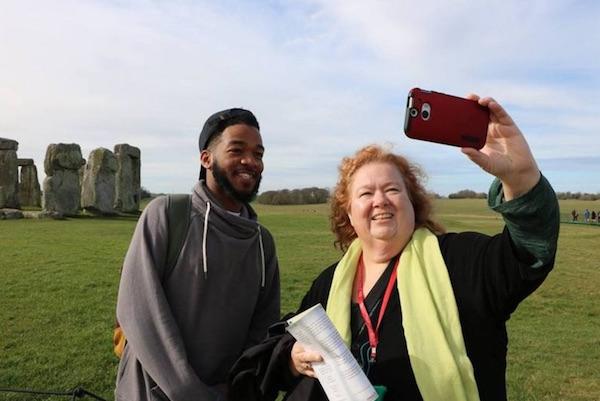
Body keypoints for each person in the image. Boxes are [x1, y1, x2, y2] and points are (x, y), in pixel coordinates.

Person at [252, 95, 559, 401]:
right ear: (348, 213)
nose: (380, 200)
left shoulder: (460, 262)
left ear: (412, 202)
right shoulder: (328, 285)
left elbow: (529, 251)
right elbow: (277, 353)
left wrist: (520, 178)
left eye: (392, 189)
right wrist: (293, 358)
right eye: (366, 193)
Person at [115, 108, 281, 401]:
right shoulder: (167, 214)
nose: (251, 161)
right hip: (153, 393)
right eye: (237, 150)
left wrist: (237, 387)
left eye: (258, 154)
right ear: (206, 158)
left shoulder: (262, 242)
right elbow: (140, 311)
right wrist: (191, 393)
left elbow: (262, 330)